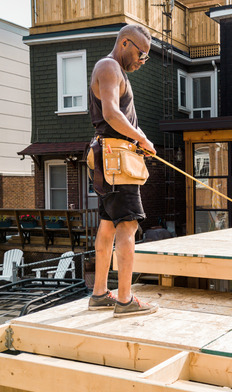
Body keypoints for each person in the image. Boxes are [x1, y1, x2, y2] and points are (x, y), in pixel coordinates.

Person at [87, 24, 158, 317]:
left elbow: (123, 118)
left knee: (107, 226)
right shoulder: (108, 67)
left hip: (110, 157)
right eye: (142, 53)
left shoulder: (116, 72)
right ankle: (126, 300)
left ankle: (100, 294)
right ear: (125, 43)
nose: (143, 60)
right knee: (127, 226)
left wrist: (140, 139)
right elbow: (111, 114)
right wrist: (140, 138)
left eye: (146, 57)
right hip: (116, 160)